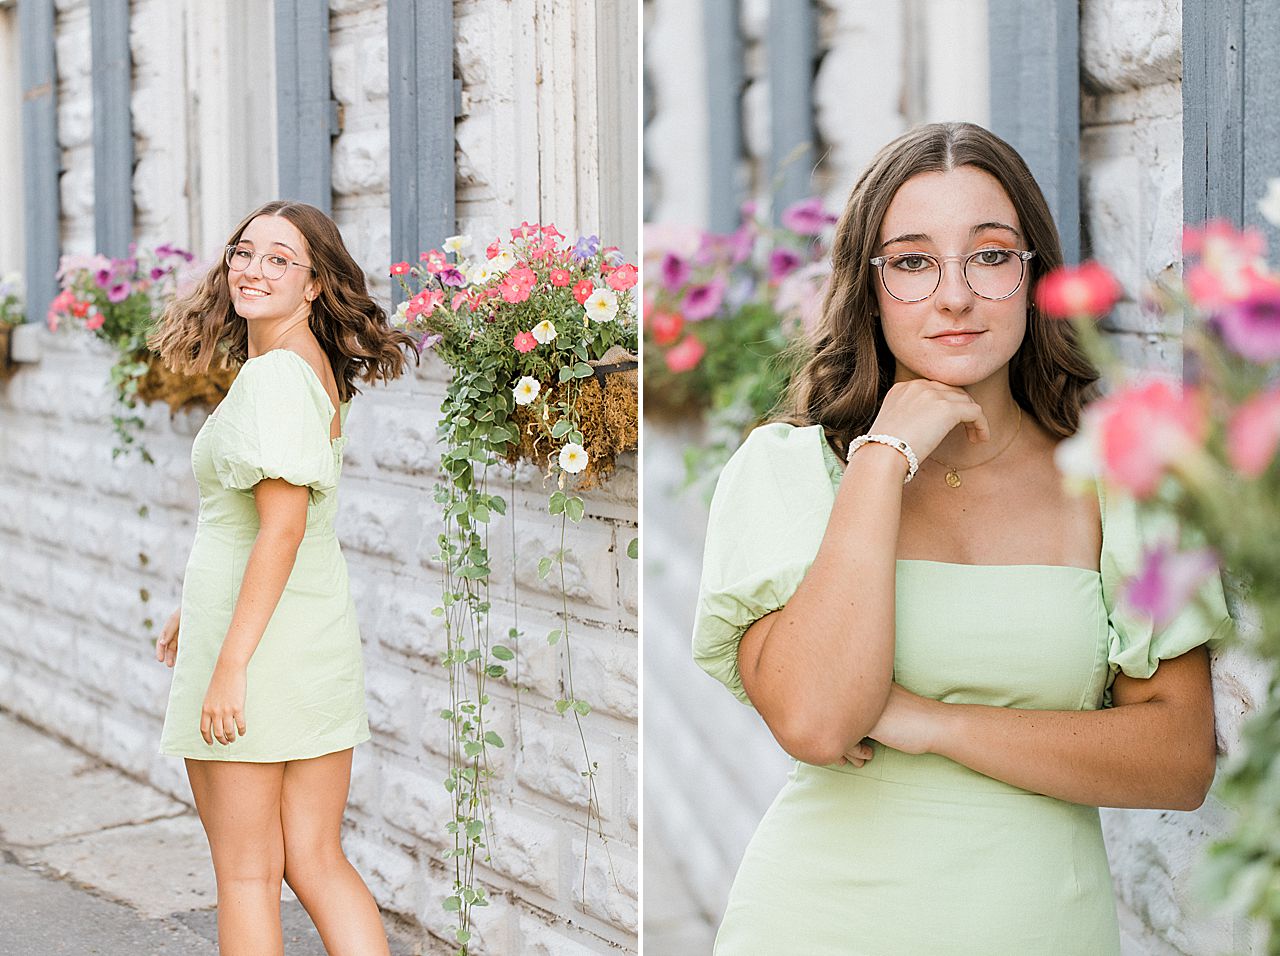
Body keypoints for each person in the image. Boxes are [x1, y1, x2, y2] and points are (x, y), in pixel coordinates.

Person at [691, 122, 1233, 955]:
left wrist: (931, 722)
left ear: (1032, 276)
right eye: (912, 261)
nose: (954, 295)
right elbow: (816, 722)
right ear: (868, 289)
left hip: (1042, 927)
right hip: (815, 922)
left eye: (989, 255)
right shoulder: (789, 471)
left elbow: (1177, 758)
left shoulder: (1122, 477)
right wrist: (882, 457)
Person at [150, 199, 417, 955]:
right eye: (245, 252)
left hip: (259, 650)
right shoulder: (308, 370)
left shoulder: (274, 380)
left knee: (245, 874)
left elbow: (283, 526)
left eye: (279, 259)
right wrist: (188, 607)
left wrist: (230, 664)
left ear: (313, 285)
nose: (253, 269)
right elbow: (257, 522)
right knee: (316, 858)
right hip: (307, 639)